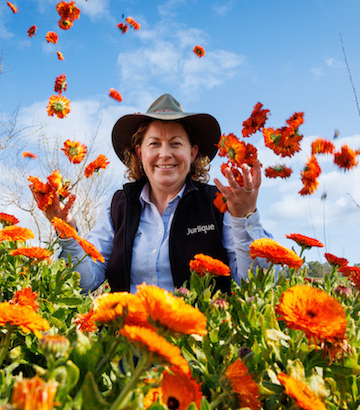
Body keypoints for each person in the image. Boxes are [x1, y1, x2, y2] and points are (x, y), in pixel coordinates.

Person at [40, 93, 271, 293]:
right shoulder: (118, 206)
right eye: (154, 144)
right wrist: (66, 231)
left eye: (175, 143)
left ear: (193, 153)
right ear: (140, 153)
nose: (165, 153)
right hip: (128, 338)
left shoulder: (219, 203)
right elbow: (85, 283)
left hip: (200, 340)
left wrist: (244, 216)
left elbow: (253, 284)